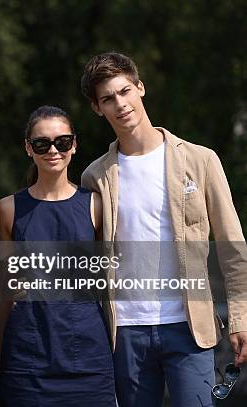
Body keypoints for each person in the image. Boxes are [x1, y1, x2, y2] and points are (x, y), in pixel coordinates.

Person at [80, 51, 247, 407]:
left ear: (140, 88)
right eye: (108, 99)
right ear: (98, 108)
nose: (120, 104)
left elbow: (233, 247)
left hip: (189, 326)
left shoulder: (200, 160)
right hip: (124, 332)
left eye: (125, 91)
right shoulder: (95, 176)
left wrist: (240, 317)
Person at [0, 106, 115, 406]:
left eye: (62, 142)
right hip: (26, 361)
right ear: (28, 148)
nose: (53, 150)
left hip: (90, 360)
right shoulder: (8, 209)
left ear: (74, 145)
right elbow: (5, 290)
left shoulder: (97, 206)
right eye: (42, 143)